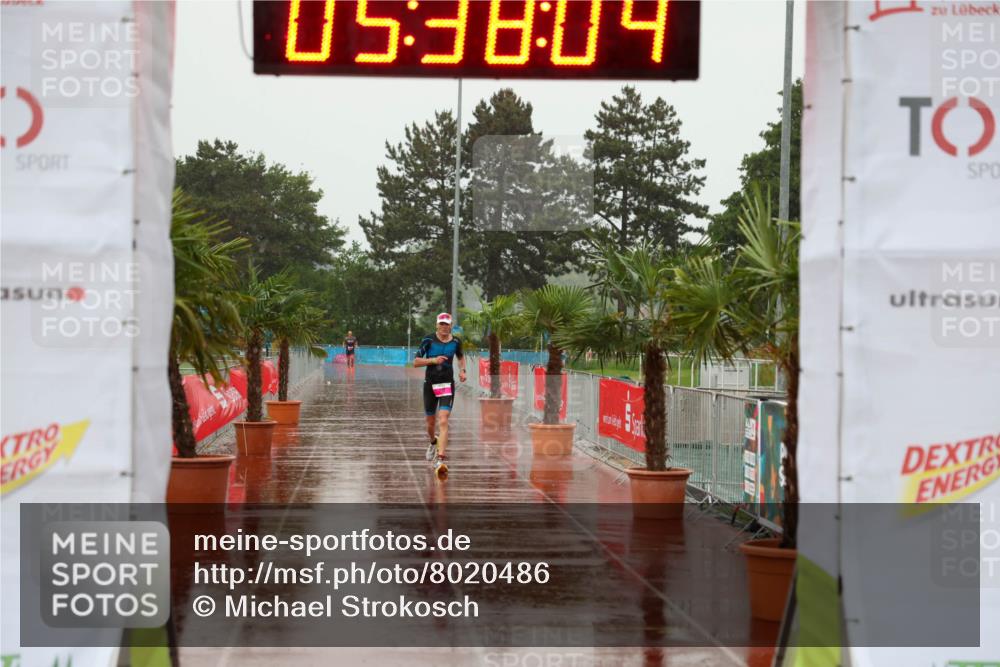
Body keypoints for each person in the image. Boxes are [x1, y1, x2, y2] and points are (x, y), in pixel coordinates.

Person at [414, 312, 466, 478]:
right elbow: (415, 362)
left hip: (446, 385)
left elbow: (461, 357)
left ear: (451, 325)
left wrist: (462, 371)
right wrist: (433, 360)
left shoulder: (456, 341)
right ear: (436, 325)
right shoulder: (428, 340)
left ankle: (441, 459)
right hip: (430, 384)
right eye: (441, 324)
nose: (444, 327)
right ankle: (432, 442)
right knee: (430, 423)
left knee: (443, 420)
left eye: (447, 324)